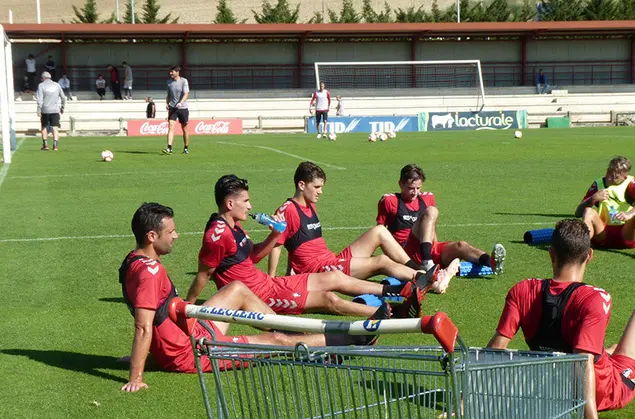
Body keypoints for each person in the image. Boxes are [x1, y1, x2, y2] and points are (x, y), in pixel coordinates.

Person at [120, 203, 381, 393]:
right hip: (194, 351)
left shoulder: (132, 262)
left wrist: (148, 355)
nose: (176, 236)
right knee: (276, 341)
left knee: (237, 289)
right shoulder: (149, 274)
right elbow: (144, 326)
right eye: (171, 232)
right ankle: (353, 338)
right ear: (152, 236)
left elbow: (157, 318)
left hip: (192, 332)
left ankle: (291, 331)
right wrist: (136, 376)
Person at [487, 219, 635, 419]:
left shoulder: (522, 289)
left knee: (611, 350)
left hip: (553, 387)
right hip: (607, 390)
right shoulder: (594, 298)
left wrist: (473, 396)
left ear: (551, 254)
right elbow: (583, 361)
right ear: (589, 256)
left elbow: (496, 348)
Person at [186, 174, 427, 318]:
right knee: (329, 299)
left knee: (335, 277)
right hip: (260, 297)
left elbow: (253, 257)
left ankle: (400, 292)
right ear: (230, 204)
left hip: (269, 284)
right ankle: (393, 314)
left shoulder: (236, 227)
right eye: (246, 201)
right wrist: (189, 306)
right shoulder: (217, 234)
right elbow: (204, 274)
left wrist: (273, 236)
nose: (250, 207)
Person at [268, 162, 454, 292]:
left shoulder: (309, 205)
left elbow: (295, 241)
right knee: (381, 261)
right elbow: (277, 244)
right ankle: (430, 281)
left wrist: (291, 269)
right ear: (302, 185)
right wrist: (272, 279)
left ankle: (421, 271)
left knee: (379, 231)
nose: (321, 192)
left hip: (331, 260)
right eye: (317, 187)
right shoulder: (288, 209)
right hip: (322, 269)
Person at [376, 164, 506, 291]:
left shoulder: (427, 197)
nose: (415, 192)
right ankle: (428, 264)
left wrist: (436, 252)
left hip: (428, 249)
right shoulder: (389, 201)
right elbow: (380, 234)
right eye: (411, 188)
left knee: (461, 245)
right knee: (431, 210)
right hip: (407, 253)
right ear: (400, 184)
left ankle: (491, 263)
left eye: (418, 188)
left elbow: (431, 227)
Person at [575, 156, 635, 259]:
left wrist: (630, 214)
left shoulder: (632, 183)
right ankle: (582, 249)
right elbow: (578, 213)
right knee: (588, 211)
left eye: (615, 176)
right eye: (609, 172)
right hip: (602, 233)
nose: (609, 178)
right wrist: (592, 199)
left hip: (626, 233)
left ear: (624, 176)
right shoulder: (598, 184)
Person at [163, 65, 190, 155]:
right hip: (173, 108)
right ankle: (169, 148)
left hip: (183, 108)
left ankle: (186, 147)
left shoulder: (184, 81)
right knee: (171, 127)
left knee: (184, 129)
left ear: (177, 72)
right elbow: (168, 95)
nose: (170, 73)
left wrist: (181, 102)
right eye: (170, 72)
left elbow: (186, 94)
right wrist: (167, 103)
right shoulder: (169, 82)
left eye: (172, 72)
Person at [36, 71, 66, 151]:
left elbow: (39, 99)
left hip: (45, 110)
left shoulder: (41, 85)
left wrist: (38, 110)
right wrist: (62, 107)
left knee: (44, 126)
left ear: (43, 78)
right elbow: (63, 97)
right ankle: (55, 145)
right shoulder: (57, 85)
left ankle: (45, 145)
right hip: (55, 110)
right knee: (55, 127)